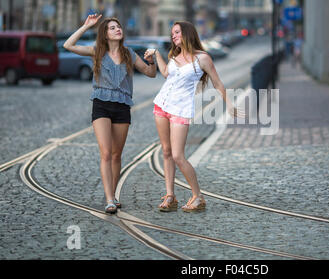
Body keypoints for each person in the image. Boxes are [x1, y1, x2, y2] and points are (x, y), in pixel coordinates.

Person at [64, 14, 157, 214]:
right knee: (106, 153)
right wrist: (86, 26)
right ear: (105, 34)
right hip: (101, 105)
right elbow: (68, 45)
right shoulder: (97, 51)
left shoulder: (129, 54)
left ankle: (113, 194)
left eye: (118, 27)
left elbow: (151, 73)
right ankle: (109, 199)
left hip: (122, 106)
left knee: (116, 155)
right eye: (112, 28)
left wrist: (152, 61)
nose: (117, 29)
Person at [144, 21, 240, 212]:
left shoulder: (202, 58)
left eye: (177, 32)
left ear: (187, 33)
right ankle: (170, 196)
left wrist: (229, 103)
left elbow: (217, 82)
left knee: (178, 155)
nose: (173, 36)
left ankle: (198, 196)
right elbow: (165, 73)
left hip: (180, 110)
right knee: (166, 152)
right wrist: (155, 54)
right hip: (161, 105)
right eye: (172, 34)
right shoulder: (173, 56)